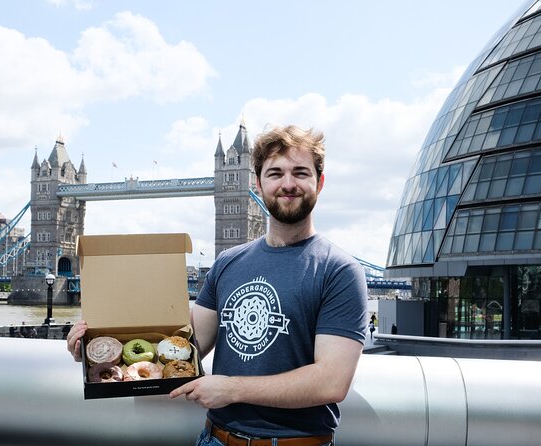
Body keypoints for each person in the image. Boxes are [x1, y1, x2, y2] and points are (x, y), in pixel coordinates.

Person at [66, 125, 367, 445]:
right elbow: (184, 345)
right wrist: (98, 347)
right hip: (215, 438)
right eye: (275, 173)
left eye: (301, 173)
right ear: (258, 183)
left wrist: (231, 388)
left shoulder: (340, 271)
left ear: (319, 183)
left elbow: (331, 382)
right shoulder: (228, 263)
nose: (288, 184)